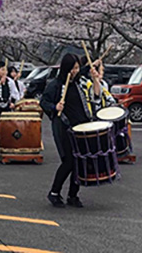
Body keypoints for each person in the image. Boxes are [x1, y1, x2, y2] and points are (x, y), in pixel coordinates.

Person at [40, 53, 104, 208]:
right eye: (73, 68)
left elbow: (89, 81)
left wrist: (94, 72)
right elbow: (43, 101)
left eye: (77, 68)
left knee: (79, 161)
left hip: (80, 127)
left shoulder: (77, 82)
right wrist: (55, 107)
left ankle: (73, 195)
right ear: (66, 68)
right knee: (68, 161)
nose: (76, 71)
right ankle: (54, 192)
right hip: (64, 127)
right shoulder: (55, 84)